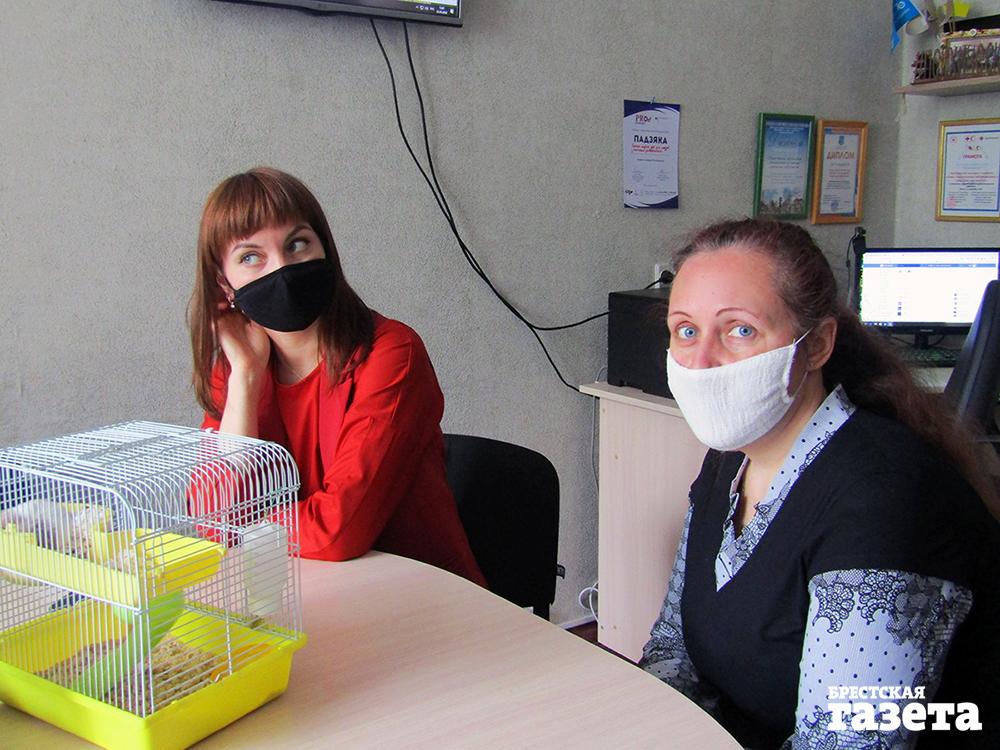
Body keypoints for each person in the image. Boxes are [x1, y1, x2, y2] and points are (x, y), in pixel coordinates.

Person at [639, 218, 1000, 749]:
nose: (702, 361)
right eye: (686, 331)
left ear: (818, 345)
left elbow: (844, 742)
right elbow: (674, 648)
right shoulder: (728, 461)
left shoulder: (883, 497)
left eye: (740, 330)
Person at [188, 167, 485, 587]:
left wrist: (242, 526)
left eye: (297, 244)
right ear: (224, 284)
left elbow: (338, 531)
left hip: (419, 596)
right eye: (251, 257)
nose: (282, 268)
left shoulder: (391, 353)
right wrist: (247, 378)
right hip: (305, 593)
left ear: (324, 250)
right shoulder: (236, 370)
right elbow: (210, 518)